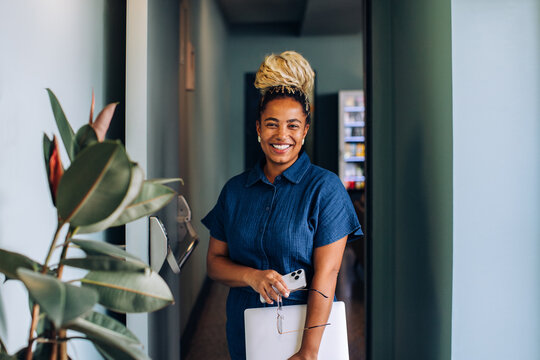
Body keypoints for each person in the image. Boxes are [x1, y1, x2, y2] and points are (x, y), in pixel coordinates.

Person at [202, 50, 362, 360]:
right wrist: (253, 276)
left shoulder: (325, 189)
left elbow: (327, 275)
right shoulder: (235, 191)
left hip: (304, 328)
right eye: (272, 124)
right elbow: (214, 263)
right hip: (245, 324)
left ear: (304, 131)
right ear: (259, 129)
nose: (282, 135)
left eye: (292, 125)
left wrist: (309, 351)